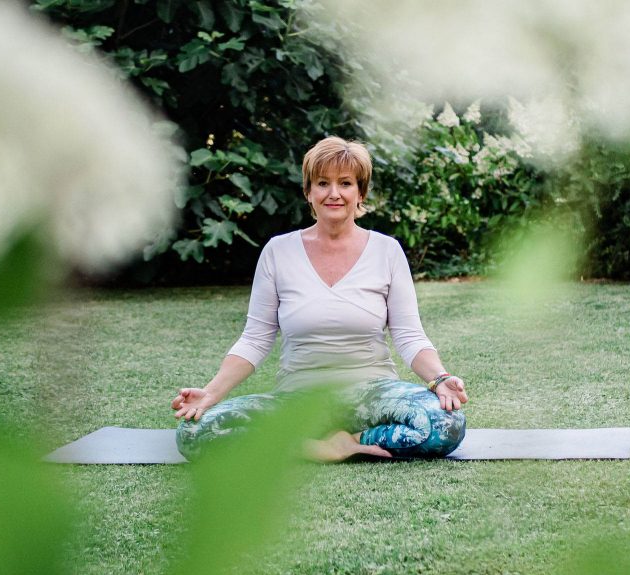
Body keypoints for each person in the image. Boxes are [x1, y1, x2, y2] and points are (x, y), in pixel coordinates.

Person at [172, 136, 468, 462]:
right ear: (308, 193)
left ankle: (352, 440)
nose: (334, 193)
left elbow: (409, 335)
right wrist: (211, 393)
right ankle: (310, 446)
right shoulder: (278, 252)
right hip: (298, 401)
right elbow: (255, 339)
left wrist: (440, 379)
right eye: (322, 183)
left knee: (446, 423)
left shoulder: (387, 251)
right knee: (194, 432)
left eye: (345, 183)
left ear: (361, 193)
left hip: (373, 396)